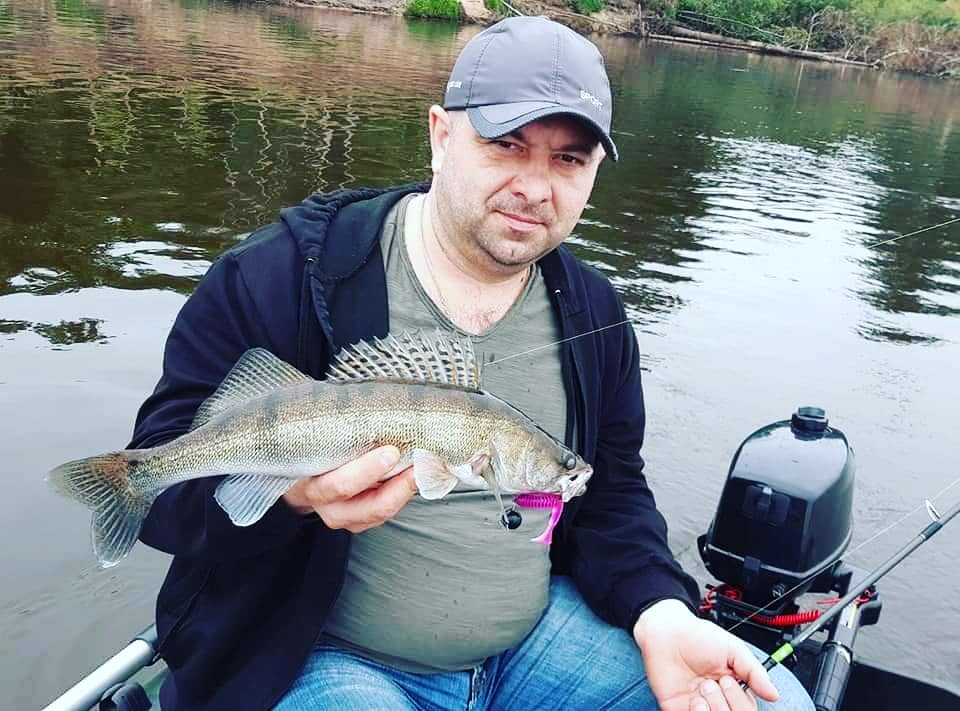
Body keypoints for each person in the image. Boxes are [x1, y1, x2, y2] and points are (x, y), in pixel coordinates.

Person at [129, 16, 815, 711]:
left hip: (532, 651)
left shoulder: (596, 313)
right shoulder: (280, 276)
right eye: (506, 144)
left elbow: (612, 495)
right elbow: (159, 491)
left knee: (774, 701)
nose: (535, 187)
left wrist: (661, 611)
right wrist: (293, 496)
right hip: (315, 658)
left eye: (568, 160)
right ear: (440, 136)